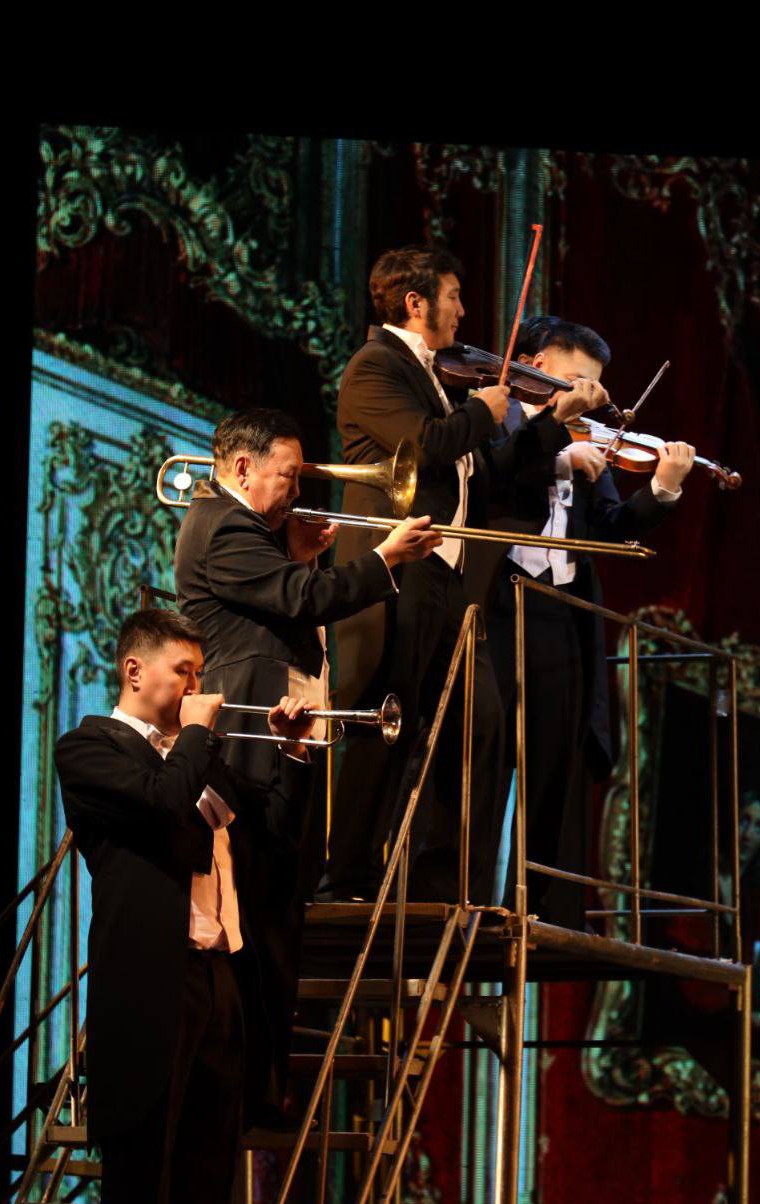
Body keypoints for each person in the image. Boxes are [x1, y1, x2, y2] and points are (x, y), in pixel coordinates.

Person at [175, 407, 441, 1109]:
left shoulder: (248, 530)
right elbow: (303, 599)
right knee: (259, 909)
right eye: (288, 477)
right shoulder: (222, 526)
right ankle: (245, 1088)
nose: (298, 491)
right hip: (250, 738)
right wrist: (384, 558)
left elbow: (283, 604)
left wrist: (297, 554)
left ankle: (264, 1084)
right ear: (242, 468)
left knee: (280, 912)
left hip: (283, 736)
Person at [54, 608, 318, 1204]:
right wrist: (198, 734)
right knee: (143, 1189)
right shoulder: (89, 749)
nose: (199, 689)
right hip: (151, 987)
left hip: (218, 982)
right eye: (184, 672)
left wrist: (291, 753)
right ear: (133, 671)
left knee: (207, 1183)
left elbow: (275, 836)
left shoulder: (198, 760)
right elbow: (162, 802)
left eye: (200, 674)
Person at [319, 245, 562, 906]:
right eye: (452, 295)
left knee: (463, 724)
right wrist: (482, 411)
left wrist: (551, 426)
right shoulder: (375, 366)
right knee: (385, 723)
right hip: (396, 569)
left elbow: (485, 471)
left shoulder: (436, 378)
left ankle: (428, 881)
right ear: (414, 302)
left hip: (445, 577)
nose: (462, 309)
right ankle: (346, 879)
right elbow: (422, 446)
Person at [465, 315, 695, 927]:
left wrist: (663, 489)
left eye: (594, 387)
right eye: (576, 383)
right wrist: (561, 456)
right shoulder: (495, 417)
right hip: (497, 601)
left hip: (561, 611)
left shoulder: (588, 438)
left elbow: (613, 529)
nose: (588, 399)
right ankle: (467, 893)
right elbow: (494, 480)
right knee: (486, 749)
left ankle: (538, 905)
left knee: (554, 758)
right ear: (536, 367)